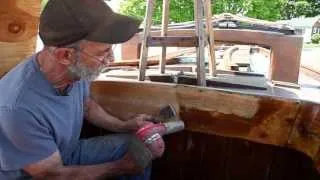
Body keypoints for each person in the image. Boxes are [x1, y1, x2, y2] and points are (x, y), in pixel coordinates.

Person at [0, 0, 158, 179]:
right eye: (103, 53)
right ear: (65, 55)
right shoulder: (18, 107)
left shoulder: (76, 70)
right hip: (35, 175)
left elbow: (86, 105)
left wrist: (124, 126)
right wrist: (120, 167)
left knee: (136, 147)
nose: (111, 59)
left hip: (65, 154)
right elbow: (52, 175)